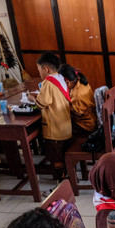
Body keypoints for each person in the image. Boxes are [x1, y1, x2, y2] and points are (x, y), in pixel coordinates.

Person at [27, 52, 72, 180]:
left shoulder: (48, 82)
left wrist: (31, 98)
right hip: (65, 126)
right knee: (62, 153)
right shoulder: (60, 78)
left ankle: (61, 180)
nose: (39, 73)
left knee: (56, 156)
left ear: (45, 69)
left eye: (39, 70)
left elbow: (41, 104)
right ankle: (67, 175)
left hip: (54, 129)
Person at [58, 64, 97, 136]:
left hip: (86, 127)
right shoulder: (80, 80)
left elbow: (69, 112)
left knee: (58, 125)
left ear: (67, 82)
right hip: (92, 118)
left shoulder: (76, 96)